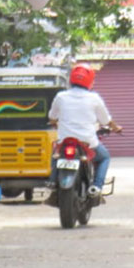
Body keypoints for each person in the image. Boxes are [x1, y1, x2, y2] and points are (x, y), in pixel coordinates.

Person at [48, 63, 122, 196]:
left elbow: (52, 116)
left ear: (71, 79)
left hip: (65, 141)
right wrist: (116, 128)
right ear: (90, 81)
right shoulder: (94, 98)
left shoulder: (61, 97)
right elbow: (105, 121)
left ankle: (53, 180)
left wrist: (54, 122)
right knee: (104, 157)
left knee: (55, 152)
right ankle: (96, 187)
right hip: (88, 142)